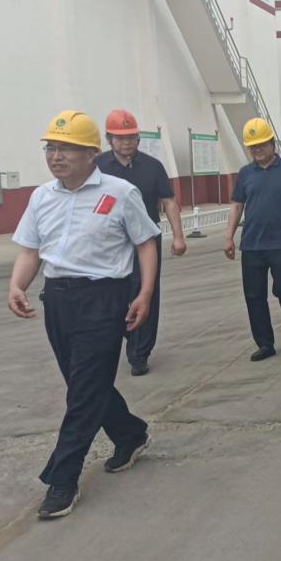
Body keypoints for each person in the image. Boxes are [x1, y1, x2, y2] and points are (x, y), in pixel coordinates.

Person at [7, 110, 161, 519]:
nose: (56, 157)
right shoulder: (41, 197)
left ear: (92, 153)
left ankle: (63, 479)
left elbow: (145, 243)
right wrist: (17, 285)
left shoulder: (121, 192)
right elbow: (31, 250)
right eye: (51, 148)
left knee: (82, 394)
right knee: (85, 385)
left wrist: (145, 293)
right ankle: (130, 433)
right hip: (58, 299)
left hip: (104, 299)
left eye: (67, 149)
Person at [95, 109, 185, 376]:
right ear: (109, 139)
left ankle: (139, 353)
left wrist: (178, 236)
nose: (127, 143)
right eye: (120, 138)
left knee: (147, 292)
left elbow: (169, 201)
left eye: (131, 137)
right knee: (113, 293)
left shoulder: (153, 166)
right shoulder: (97, 167)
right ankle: (125, 334)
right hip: (111, 242)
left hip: (146, 241)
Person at [223, 118, 281, 362]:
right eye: (253, 147)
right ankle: (265, 343)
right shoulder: (245, 173)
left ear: (272, 143)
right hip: (252, 244)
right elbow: (237, 205)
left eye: (261, 144)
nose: (257, 150)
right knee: (254, 296)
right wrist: (228, 236)